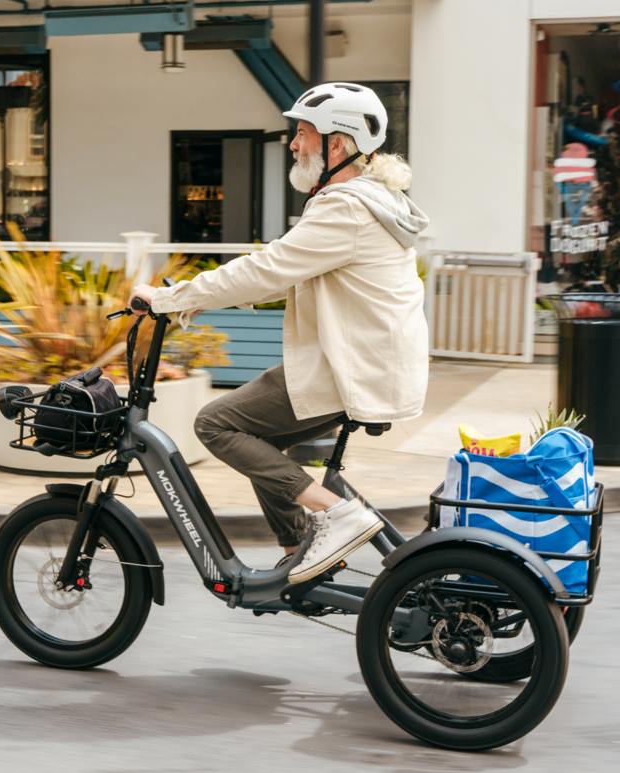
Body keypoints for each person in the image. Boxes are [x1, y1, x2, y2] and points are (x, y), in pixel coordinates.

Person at [129, 83, 430, 583]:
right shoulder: (374, 200)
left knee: (217, 424)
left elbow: (266, 267)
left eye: (303, 133)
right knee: (262, 440)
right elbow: (293, 271)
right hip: (369, 364)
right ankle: (299, 552)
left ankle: (336, 516)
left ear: (337, 145)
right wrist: (213, 299)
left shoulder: (345, 207)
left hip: (352, 369)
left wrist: (169, 298)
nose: (293, 143)